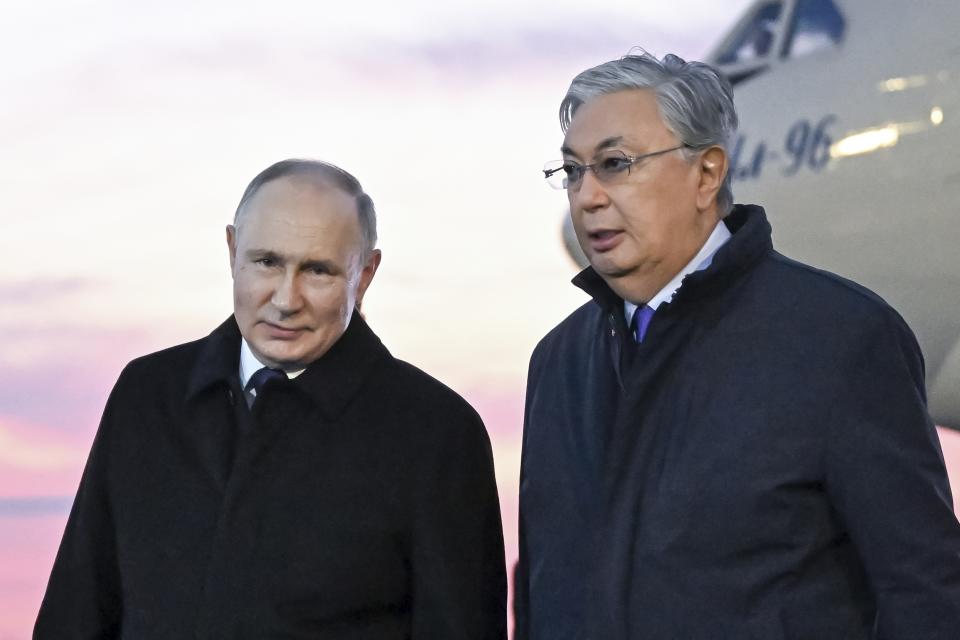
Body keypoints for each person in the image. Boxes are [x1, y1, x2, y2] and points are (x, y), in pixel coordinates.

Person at [515, 52, 960, 639]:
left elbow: (925, 590)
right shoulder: (558, 363)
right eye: (573, 171)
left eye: (616, 164)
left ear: (707, 174)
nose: (587, 196)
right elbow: (542, 593)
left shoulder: (839, 339)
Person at [35, 159, 507, 639]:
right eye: (267, 262)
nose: (285, 299)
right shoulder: (147, 394)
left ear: (364, 274)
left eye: (317, 271)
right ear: (232, 250)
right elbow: (77, 611)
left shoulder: (437, 433)